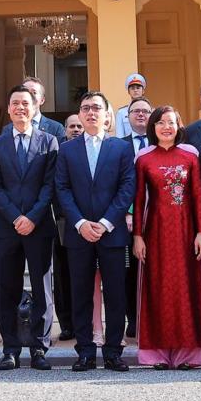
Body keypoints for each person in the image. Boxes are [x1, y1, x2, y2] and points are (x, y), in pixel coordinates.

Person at [54, 91, 136, 372]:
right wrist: (80, 223)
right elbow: (62, 188)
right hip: (79, 234)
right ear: (80, 113)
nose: (91, 113)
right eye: (86, 108)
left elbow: (127, 187)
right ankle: (85, 352)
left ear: (106, 115)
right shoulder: (67, 149)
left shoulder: (121, 148)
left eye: (96, 108)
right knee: (80, 294)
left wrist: (106, 222)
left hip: (112, 233)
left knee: (115, 294)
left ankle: (113, 351)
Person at [134, 105, 201, 369]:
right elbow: (138, 200)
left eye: (171, 122)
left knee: (187, 289)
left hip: (186, 233)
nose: (166, 127)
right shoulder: (144, 158)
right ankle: (156, 354)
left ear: (179, 126)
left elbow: (198, 197)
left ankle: (188, 354)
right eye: (160, 122)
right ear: (153, 127)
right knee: (157, 290)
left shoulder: (191, 156)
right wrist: (137, 236)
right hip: (155, 233)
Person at [0, 85, 59, 370]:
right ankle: (11, 348)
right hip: (6, 228)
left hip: (39, 227)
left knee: (42, 288)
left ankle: (39, 347)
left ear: (35, 106)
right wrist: (16, 217)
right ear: (8, 108)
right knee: (7, 288)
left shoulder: (49, 141)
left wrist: (33, 217)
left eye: (25, 103)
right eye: (15, 103)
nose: (20, 108)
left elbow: (50, 185)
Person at [122, 96, 154, 338]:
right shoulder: (118, 145)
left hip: (158, 217)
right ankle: (133, 320)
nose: (141, 114)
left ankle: (153, 318)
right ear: (128, 117)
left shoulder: (162, 142)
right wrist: (127, 211)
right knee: (129, 273)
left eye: (145, 111)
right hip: (127, 219)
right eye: (136, 111)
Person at [50, 114, 83, 341]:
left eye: (79, 126)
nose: (76, 129)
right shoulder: (58, 152)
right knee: (62, 276)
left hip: (88, 222)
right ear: (65, 130)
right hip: (62, 221)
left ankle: (84, 323)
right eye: (72, 126)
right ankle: (66, 324)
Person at [115, 74, 147, 139]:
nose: (135, 90)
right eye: (132, 88)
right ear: (128, 92)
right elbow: (120, 136)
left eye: (138, 88)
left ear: (143, 91)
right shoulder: (121, 113)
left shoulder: (150, 111)